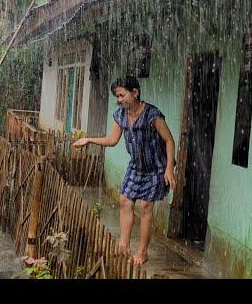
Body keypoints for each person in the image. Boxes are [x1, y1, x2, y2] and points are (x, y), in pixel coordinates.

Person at [73, 75, 176, 265]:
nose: (119, 100)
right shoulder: (120, 114)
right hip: (136, 166)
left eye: (122, 95)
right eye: (117, 97)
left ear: (135, 92)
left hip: (156, 167)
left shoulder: (152, 114)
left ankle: (142, 252)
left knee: (145, 207)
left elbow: (169, 140)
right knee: (125, 201)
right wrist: (89, 139)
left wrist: (169, 168)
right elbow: (112, 140)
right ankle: (124, 245)